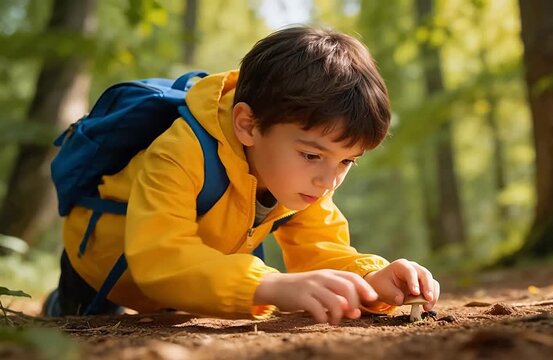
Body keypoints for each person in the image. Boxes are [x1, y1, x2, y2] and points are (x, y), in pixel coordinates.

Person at [43, 26, 440, 324]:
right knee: (75, 323)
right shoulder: (180, 152)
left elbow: (321, 250)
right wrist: (269, 285)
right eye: (311, 154)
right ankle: (59, 302)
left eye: (346, 162)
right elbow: (158, 257)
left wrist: (372, 278)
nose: (328, 181)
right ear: (247, 124)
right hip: (101, 262)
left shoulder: (304, 178)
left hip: (192, 274)